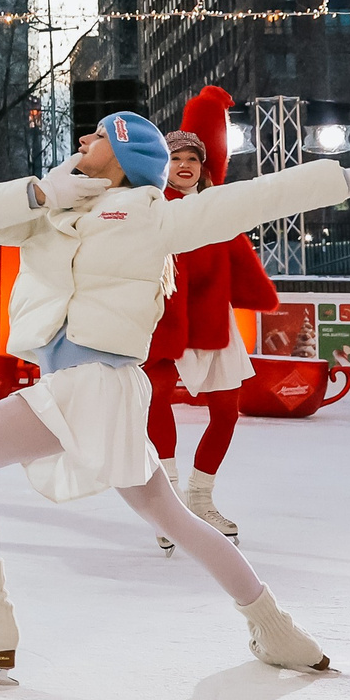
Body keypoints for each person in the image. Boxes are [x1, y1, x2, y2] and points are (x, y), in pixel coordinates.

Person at [0, 112, 350, 680]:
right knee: (173, 517)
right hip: (90, 387)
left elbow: (254, 197)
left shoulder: (152, 215)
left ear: (122, 154)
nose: (84, 139)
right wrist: (44, 190)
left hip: (92, 384)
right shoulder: (54, 206)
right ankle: (276, 627)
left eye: (98, 135)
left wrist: (340, 180)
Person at [141, 86, 283, 550]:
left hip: (213, 320)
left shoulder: (218, 205)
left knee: (226, 410)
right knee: (154, 402)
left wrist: (211, 107)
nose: (185, 164)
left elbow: (238, 249)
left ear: (203, 166)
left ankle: (199, 498)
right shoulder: (150, 205)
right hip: (163, 319)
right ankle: (168, 508)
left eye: (193, 158)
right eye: (175, 157)